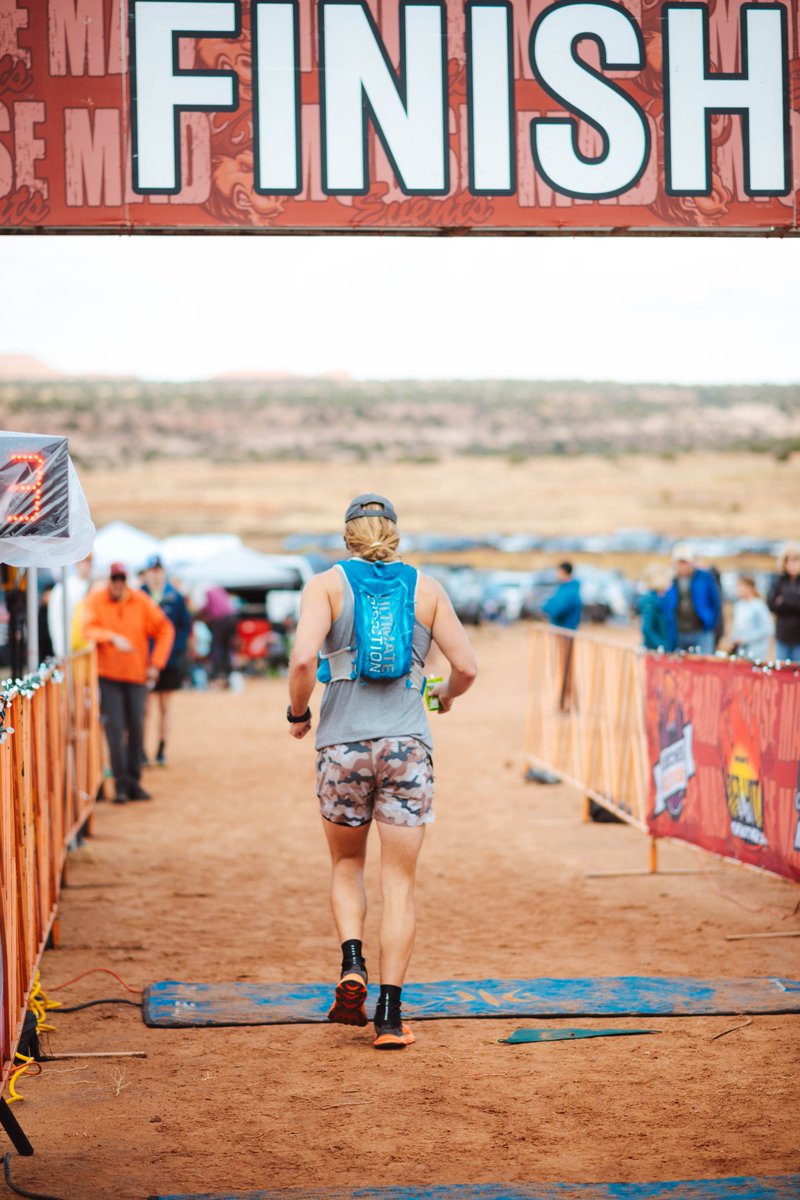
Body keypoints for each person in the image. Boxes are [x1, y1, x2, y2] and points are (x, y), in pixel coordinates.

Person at [287, 494, 477, 1051]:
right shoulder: (428, 589)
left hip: (342, 747)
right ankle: (390, 1018)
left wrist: (299, 713)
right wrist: (440, 696)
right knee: (400, 884)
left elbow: (302, 662)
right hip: (406, 747)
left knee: (347, 864)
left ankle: (352, 964)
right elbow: (465, 667)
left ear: (348, 536)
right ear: (395, 534)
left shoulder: (324, 585)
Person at [82, 562, 173, 803]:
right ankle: (120, 785)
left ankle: (134, 783)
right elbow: (87, 628)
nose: (118, 584)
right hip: (108, 676)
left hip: (136, 675)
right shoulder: (96, 599)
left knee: (136, 728)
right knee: (114, 731)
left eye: (122, 579)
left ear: (126, 580)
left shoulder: (140, 601)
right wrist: (111, 637)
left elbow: (165, 628)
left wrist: (156, 663)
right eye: (114, 579)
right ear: (109, 580)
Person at [141, 555, 192, 765]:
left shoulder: (175, 597)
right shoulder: (139, 595)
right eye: (153, 570)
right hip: (144, 660)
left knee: (164, 706)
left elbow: (184, 627)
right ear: (147, 572)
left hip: (169, 661)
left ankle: (162, 747)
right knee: (144, 707)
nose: (156, 573)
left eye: (159, 570)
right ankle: (141, 749)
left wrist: (173, 650)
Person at [662, 544, 721, 655]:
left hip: (701, 631)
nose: (682, 566)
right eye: (679, 562)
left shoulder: (704, 577)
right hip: (678, 632)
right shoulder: (670, 580)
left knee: (704, 664)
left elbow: (715, 602)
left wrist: (712, 623)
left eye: (685, 562)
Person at [47, 555, 93, 658]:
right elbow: (56, 619)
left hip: (90, 650)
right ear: (76, 563)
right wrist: (61, 650)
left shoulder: (95, 586)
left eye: (90, 561)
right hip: (71, 650)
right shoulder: (63, 588)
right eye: (85, 561)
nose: (88, 564)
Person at [196, 584, 238, 683]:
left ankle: (217, 674)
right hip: (233, 617)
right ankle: (228, 672)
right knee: (227, 646)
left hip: (221, 619)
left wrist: (197, 614)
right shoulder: (220, 590)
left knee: (217, 646)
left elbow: (206, 607)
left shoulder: (208, 592)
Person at [727, 575, 773, 662]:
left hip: (756, 652)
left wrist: (745, 638)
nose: (738, 590)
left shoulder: (759, 605)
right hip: (740, 652)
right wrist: (733, 639)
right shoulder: (738, 605)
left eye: (741, 587)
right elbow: (737, 627)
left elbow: (767, 629)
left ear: (749, 588)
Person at [768, 542, 800, 663]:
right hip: (782, 636)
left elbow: (780, 602)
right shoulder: (778, 580)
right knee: (781, 672)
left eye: (795, 560)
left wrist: (784, 600)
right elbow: (771, 603)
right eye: (789, 560)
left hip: (798, 637)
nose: (792, 564)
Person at [639, 563, 675, 651]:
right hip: (655, 651)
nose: (670, 582)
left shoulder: (659, 598)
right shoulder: (650, 601)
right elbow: (647, 628)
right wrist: (661, 645)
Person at [542, 562, 582, 630]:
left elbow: (557, 609)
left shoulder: (570, 591)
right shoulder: (563, 588)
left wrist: (546, 606)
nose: (555, 574)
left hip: (566, 629)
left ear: (563, 571)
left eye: (557, 572)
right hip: (560, 628)